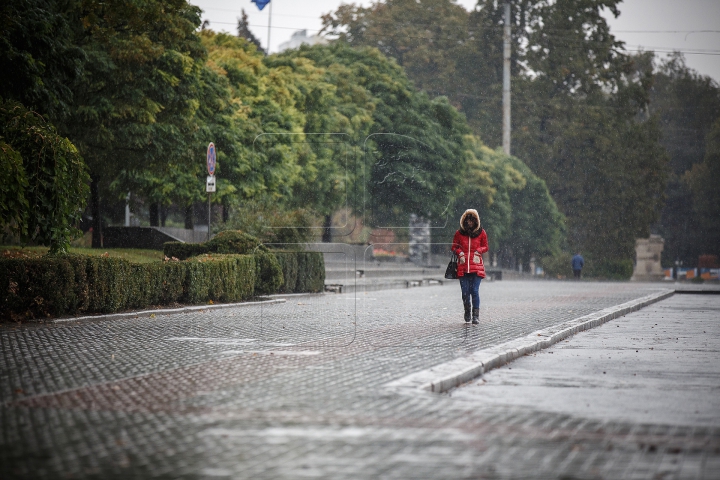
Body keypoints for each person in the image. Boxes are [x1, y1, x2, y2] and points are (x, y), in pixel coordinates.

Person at [452, 209, 488, 324]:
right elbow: (454, 247)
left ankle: (475, 315)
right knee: (465, 292)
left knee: (474, 291)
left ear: (476, 221)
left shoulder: (482, 233)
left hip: (476, 266)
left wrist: (479, 250)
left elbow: (485, 247)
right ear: (464, 220)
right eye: (468, 220)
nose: (470, 223)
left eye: (472, 220)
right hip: (463, 266)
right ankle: (467, 311)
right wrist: (459, 252)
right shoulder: (459, 233)